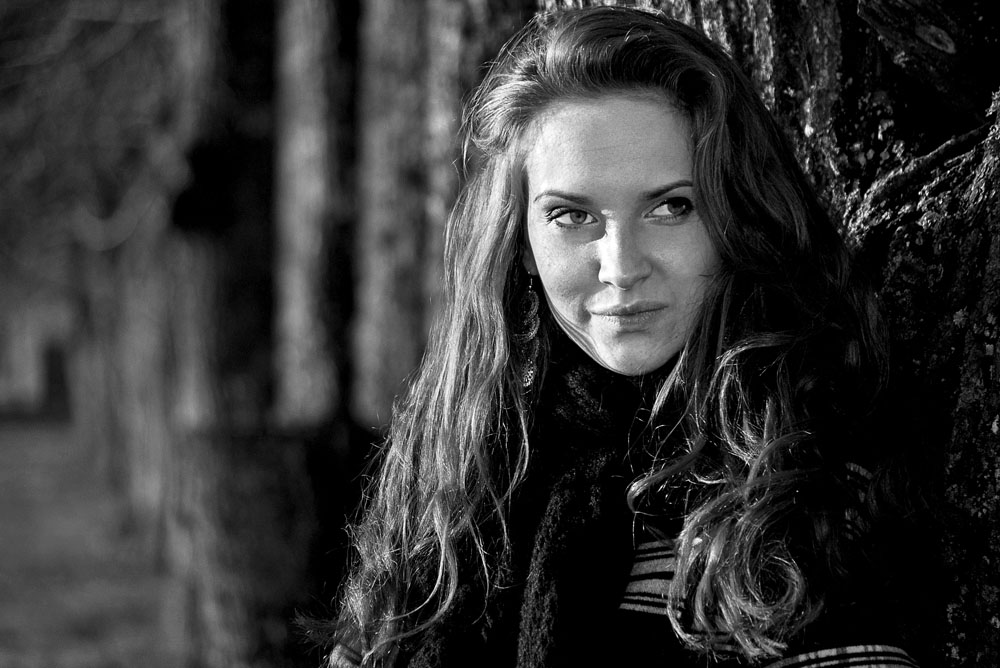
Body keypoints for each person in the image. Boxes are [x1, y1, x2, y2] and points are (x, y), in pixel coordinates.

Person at [324, 6, 920, 667]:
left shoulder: (800, 481)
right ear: (521, 243)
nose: (621, 266)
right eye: (571, 215)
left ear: (736, 217)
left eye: (671, 207)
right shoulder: (457, 469)